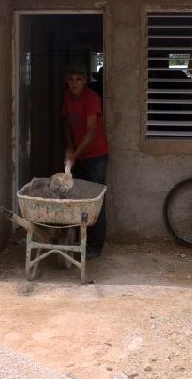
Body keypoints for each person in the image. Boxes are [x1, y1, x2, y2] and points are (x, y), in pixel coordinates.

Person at [62, 64, 109, 258]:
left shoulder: (91, 98)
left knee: (95, 200)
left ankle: (95, 246)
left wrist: (75, 153)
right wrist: (69, 147)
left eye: (78, 79)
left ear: (85, 81)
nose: (74, 83)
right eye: (71, 79)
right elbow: (66, 124)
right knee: (76, 198)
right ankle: (79, 240)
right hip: (79, 155)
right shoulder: (66, 97)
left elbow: (91, 132)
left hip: (96, 155)